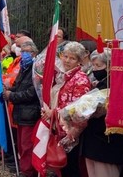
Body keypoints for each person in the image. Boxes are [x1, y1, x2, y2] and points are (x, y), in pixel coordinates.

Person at [41, 42, 92, 176]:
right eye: (65, 56)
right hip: (58, 127)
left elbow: (80, 109)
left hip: (71, 130)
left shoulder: (81, 79)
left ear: (79, 61)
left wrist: (54, 112)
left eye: (72, 58)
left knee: (69, 166)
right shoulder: (62, 76)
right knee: (60, 165)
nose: (67, 60)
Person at [81, 48, 123, 177]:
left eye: (98, 65)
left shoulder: (118, 84)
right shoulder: (99, 83)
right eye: (94, 65)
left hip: (107, 142)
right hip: (93, 140)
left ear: (109, 66)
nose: (95, 69)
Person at [3, 41, 40, 177]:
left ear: (34, 53)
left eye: (28, 51)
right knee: (21, 144)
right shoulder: (24, 67)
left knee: (27, 146)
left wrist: (11, 95)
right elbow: (18, 86)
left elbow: (33, 92)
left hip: (29, 112)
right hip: (21, 112)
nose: (24, 54)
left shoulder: (36, 68)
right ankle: (24, 168)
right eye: (23, 51)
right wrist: (9, 89)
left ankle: (29, 171)